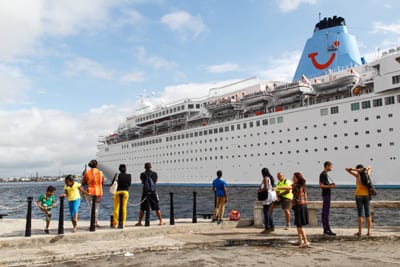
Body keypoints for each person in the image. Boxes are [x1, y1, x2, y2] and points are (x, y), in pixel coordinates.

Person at [283, 172, 310, 248]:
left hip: (299, 206)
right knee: (298, 224)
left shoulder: (296, 185)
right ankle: (299, 240)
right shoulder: (303, 186)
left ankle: (305, 241)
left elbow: (287, 188)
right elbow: (306, 196)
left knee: (299, 225)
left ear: (297, 179)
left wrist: (277, 188)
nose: (292, 179)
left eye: (294, 178)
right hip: (302, 205)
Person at [345, 164, 372, 237]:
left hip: (359, 195)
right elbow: (370, 167)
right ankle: (369, 232)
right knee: (368, 214)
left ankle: (359, 232)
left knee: (360, 214)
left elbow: (347, 169)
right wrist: (365, 169)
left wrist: (354, 169)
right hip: (366, 195)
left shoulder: (357, 176)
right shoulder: (367, 175)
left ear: (358, 169)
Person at [81, 159, 105, 227]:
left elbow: (83, 182)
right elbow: (102, 182)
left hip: (90, 192)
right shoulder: (101, 173)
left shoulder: (87, 173)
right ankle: (96, 222)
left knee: (91, 208)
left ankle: (92, 223)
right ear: (97, 165)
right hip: (99, 192)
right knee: (96, 208)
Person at [111, 164, 132, 228]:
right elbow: (129, 184)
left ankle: (115, 223)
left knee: (116, 208)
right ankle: (123, 222)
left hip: (117, 192)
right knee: (124, 208)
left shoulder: (117, 175)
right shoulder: (129, 176)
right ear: (125, 169)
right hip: (125, 192)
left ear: (119, 169)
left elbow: (113, 183)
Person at [319, 161, 336, 236]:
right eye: (331, 166)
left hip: (326, 195)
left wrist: (330, 184)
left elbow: (324, 184)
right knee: (326, 213)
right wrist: (330, 186)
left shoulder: (325, 174)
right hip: (326, 195)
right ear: (327, 166)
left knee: (325, 213)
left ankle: (326, 229)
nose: (331, 168)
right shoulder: (323, 174)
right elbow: (321, 185)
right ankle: (327, 229)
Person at [259, 168, 276, 233]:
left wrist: (260, 190)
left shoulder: (265, 178)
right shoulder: (270, 178)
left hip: (267, 196)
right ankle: (272, 226)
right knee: (268, 211)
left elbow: (266, 187)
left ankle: (267, 228)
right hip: (271, 196)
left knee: (266, 212)